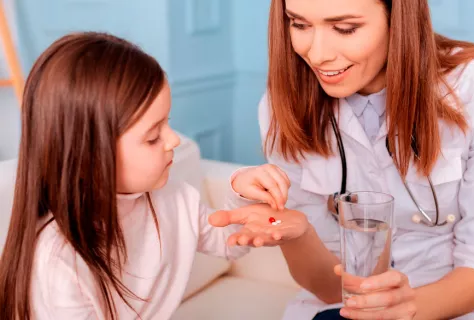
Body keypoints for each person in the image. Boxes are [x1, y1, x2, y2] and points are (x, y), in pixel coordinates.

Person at [0, 32, 310, 319]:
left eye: (167, 123)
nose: (174, 140)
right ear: (90, 155)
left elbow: (229, 243)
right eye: (152, 137)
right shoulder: (58, 261)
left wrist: (242, 193)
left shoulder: (171, 199)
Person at [213, 0, 474, 319]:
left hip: (449, 304)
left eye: (345, 28)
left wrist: (404, 311)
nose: (317, 54)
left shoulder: (471, 87)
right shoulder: (282, 105)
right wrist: (300, 235)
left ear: (398, 19)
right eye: (299, 25)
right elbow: (328, 288)